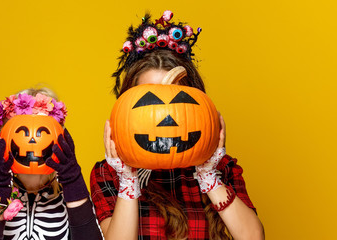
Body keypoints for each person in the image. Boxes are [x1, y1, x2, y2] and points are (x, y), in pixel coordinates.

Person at [89, 11, 264, 240]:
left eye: (180, 101)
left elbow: (252, 238)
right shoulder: (109, 174)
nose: (166, 119)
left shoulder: (223, 168)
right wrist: (128, 180)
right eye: (149, 102)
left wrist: (209, 176)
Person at [0, 88, 103, 240]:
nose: (32, 140)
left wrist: (73, 180)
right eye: (22, 131)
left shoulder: (74, 196)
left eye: (42, 131)